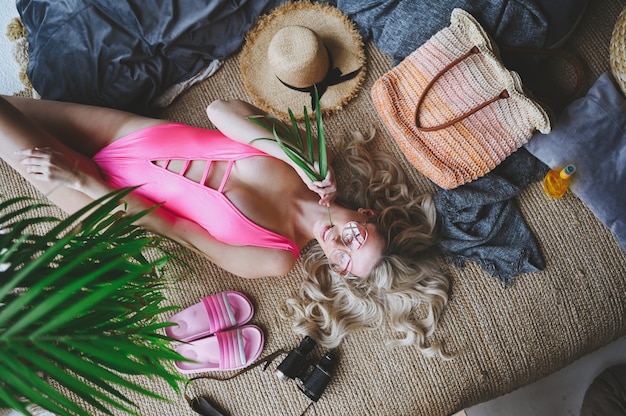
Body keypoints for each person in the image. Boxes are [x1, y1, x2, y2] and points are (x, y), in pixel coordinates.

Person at [0, 95, 450, 355]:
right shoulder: (311, 164)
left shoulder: (276, 256)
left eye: (347, 259)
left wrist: (80, 180)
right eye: (359, 237)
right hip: (129, 135)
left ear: (340, 269)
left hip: (103, 192)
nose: (343, 243)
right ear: (366, 216)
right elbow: (219, 111)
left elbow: (170, 227)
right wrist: (289, 149)